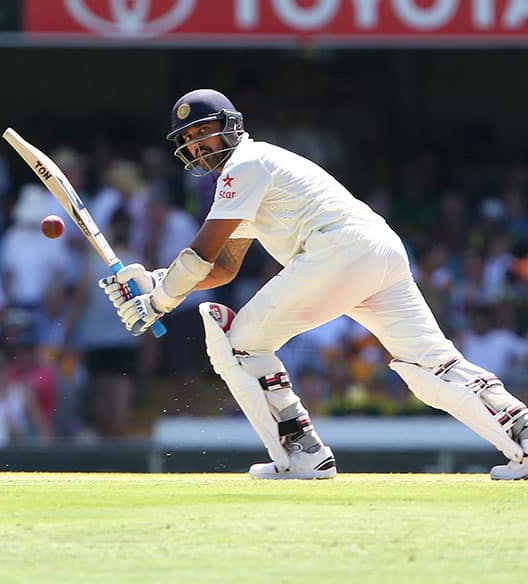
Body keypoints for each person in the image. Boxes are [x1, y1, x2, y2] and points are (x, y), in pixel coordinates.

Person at [101, 88, 528, 481]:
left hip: (338, 251)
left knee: (240, 344)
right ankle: (522, 435)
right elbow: (224, 268)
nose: (197, 144)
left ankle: (302, 453)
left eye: (204, 132)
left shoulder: (242, 167)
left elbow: (200, 255)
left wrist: (158, 301)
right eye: (189, 138)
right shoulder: (250, 171)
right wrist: (155, 281)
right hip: (379, 251)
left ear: (231, 126)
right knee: (432, 365)